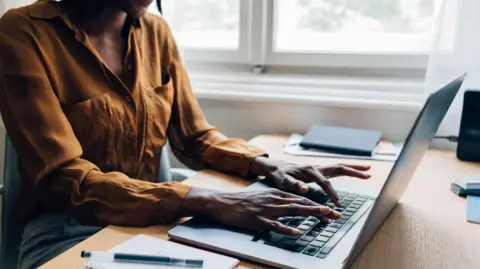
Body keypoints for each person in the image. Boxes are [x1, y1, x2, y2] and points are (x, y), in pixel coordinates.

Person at [0, 0, 371, 268]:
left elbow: (193, 137)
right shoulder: (22, 33)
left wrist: (264, 165)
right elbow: (70, 181)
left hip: (160, 220)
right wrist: (208, 201)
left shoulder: (156, 31)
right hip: (67, 231)